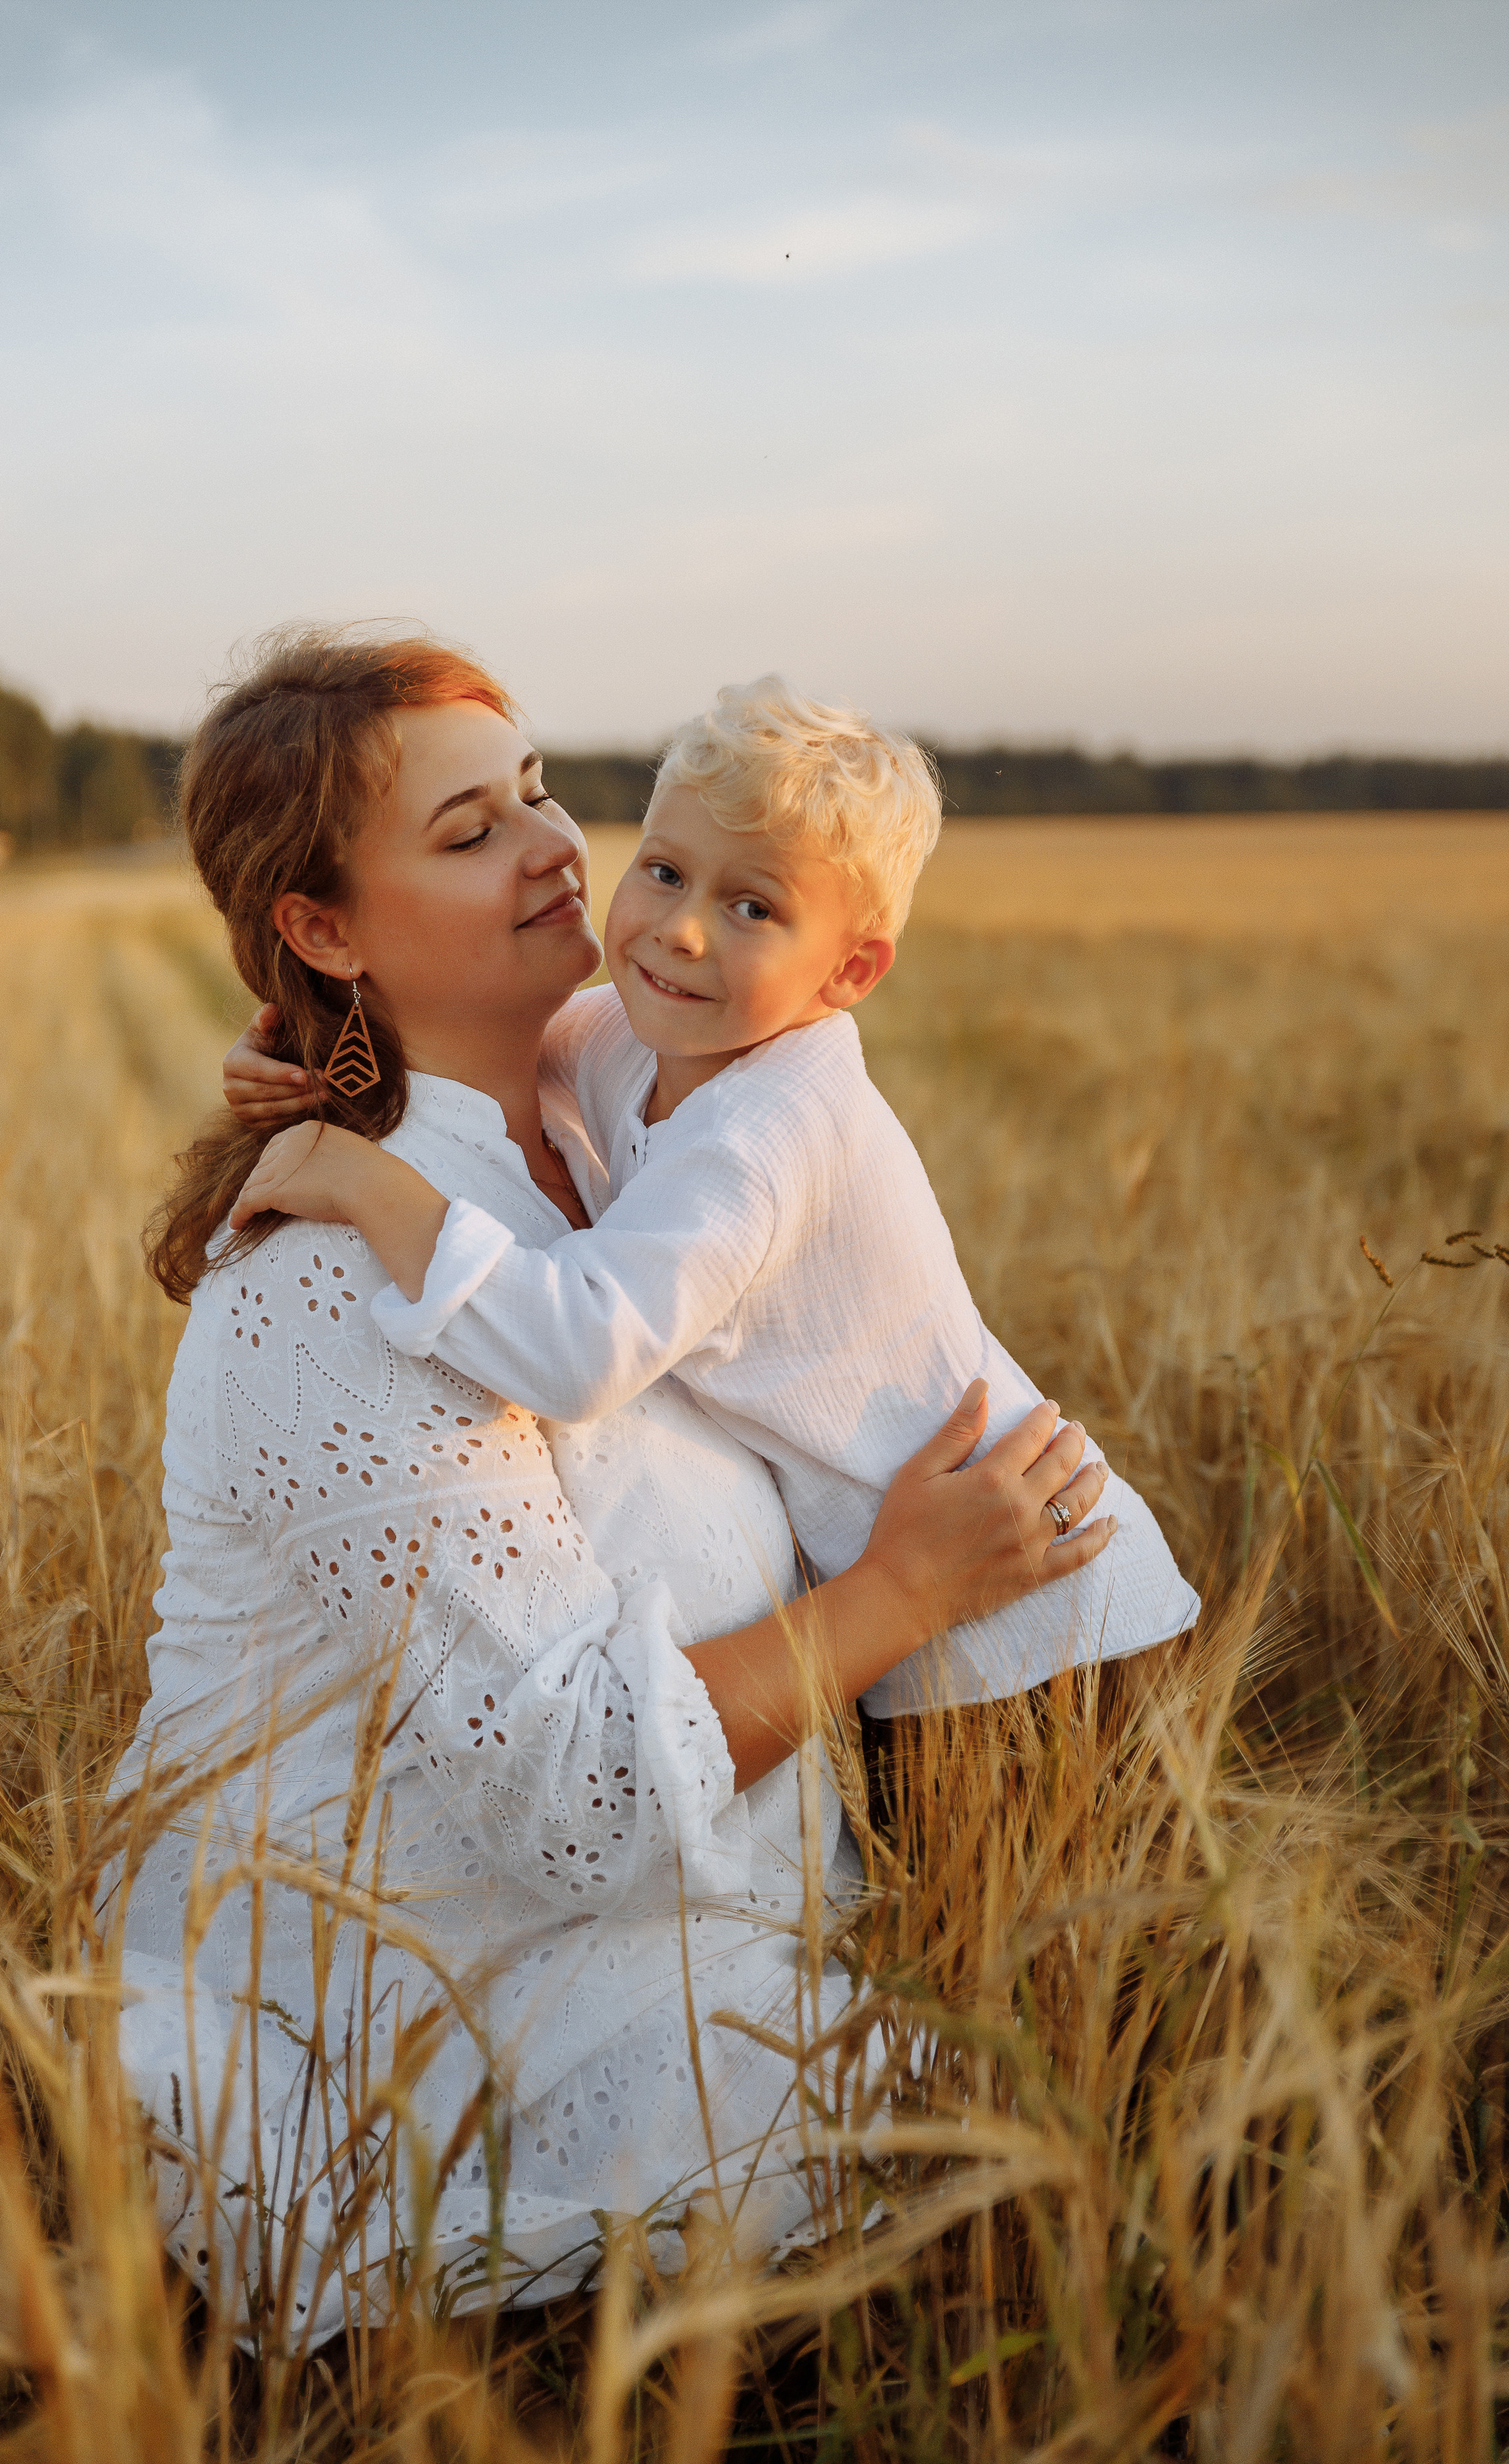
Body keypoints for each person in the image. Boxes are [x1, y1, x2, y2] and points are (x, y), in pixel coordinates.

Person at [107, 630, 1116, 2347]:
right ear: (324, 926)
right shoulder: (332, 1283)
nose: (554, 850)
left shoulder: (601, 1136)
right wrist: (902, 1598)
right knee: (1028, 2205)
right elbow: (575, 1795)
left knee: (1077, 2137)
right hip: (441, 2048)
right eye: (468, 830)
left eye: (543, 795)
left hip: (665, 1961)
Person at [225, 676, 1198, 1718]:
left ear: (851, 971)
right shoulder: (645, 1034)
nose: (680, 932)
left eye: (752, 908)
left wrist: (364, 1181)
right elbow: (463, 1043)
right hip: (938, 1622)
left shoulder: (763, 1133)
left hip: (1041, 1620)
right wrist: (310, 1051)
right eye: (664, 871)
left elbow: (581, 1349)